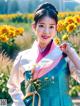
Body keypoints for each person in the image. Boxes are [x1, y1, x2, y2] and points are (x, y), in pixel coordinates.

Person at [7, 2, 80, 106]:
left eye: (51, 27)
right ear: (34, 27)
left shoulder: (65, 56)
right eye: (41, 26)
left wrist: (72, 53)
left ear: (56, 28)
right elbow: (12, 86)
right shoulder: (23, 57)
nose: (46, 31)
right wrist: (20, 104)